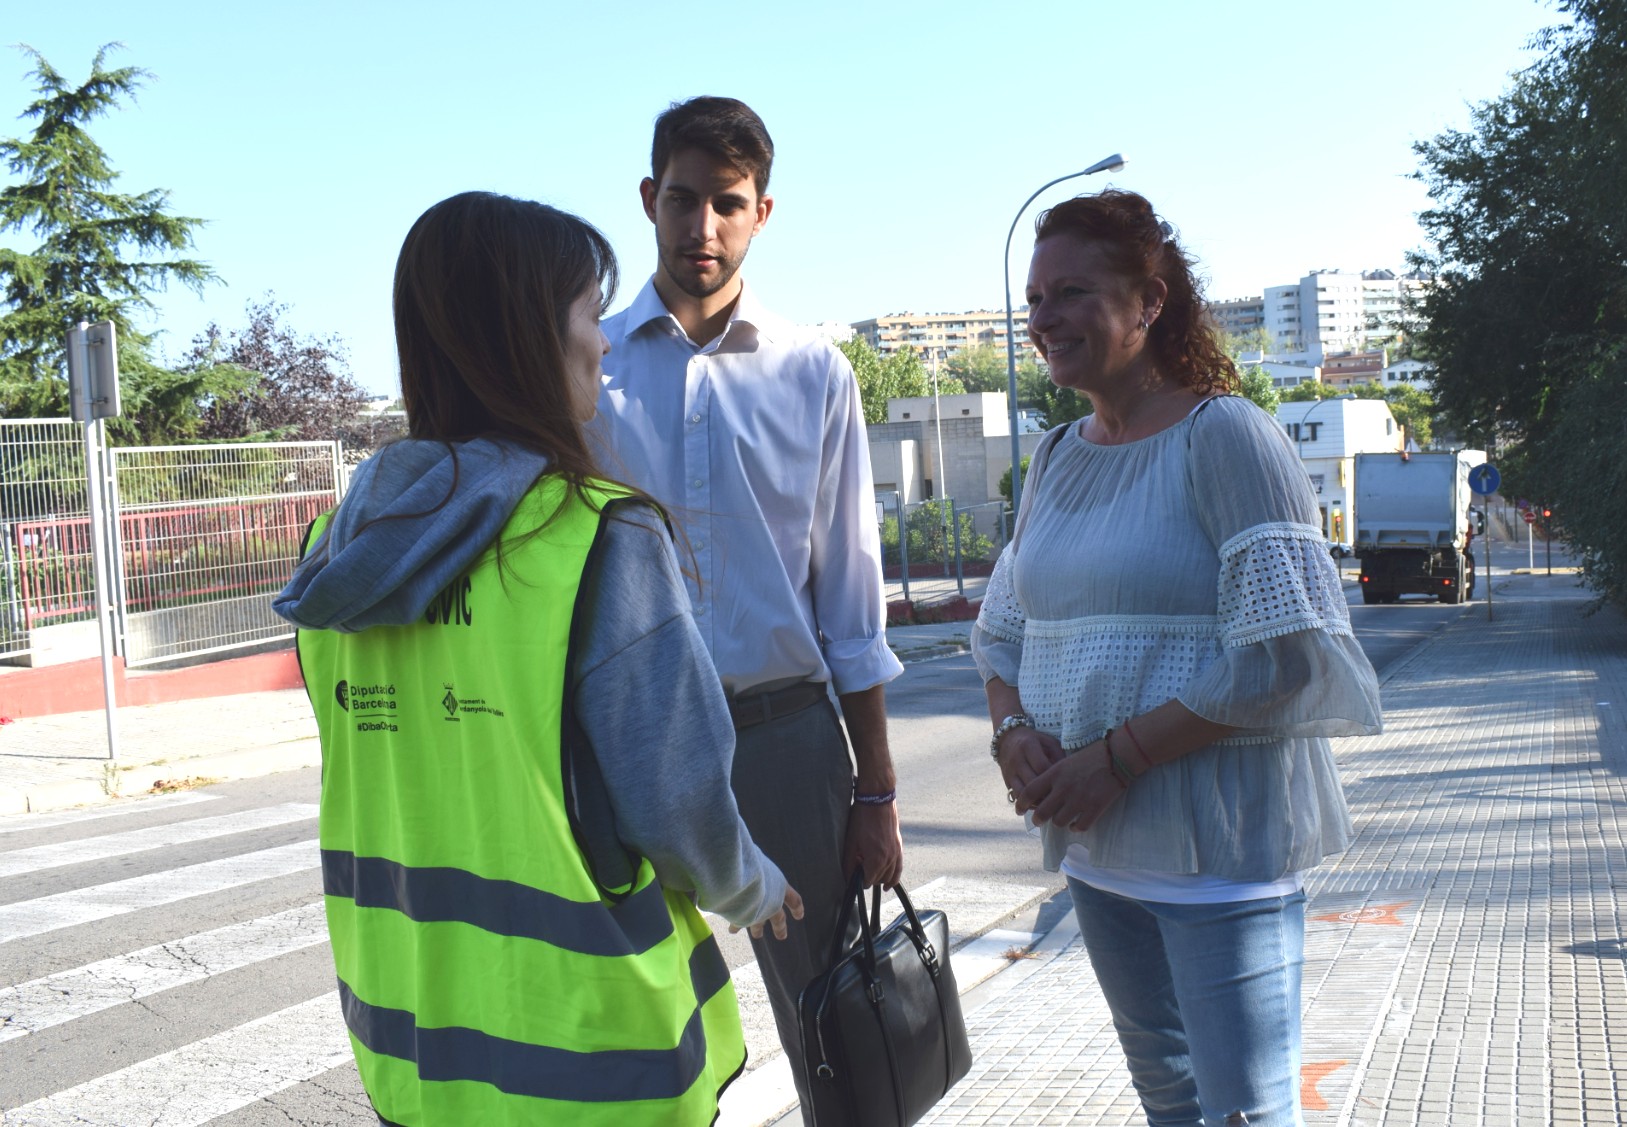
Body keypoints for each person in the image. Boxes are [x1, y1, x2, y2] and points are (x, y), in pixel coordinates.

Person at [274, 191, 800, 1126]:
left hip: (415, 1042)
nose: (601, 344)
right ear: (522, 340)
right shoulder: (592, 535)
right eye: (587, 318)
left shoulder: (333, 560)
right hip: (590, 1057)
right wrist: (751, 885)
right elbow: (677, 801)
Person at [972, 189, 1382, 1127]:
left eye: (1071, 292)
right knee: (1168, 1102)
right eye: (1034, 299)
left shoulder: (1224, 434)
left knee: (1244, 1113)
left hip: (1217, 852)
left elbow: (1287, 656)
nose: (1043, 319)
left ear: (1149, 301)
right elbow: (1002, 629)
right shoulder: (1055, 457)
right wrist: (1010, 731)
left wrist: (1115, 758)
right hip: (1099, 856)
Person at [591, 95, 904, 1115]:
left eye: (727, 204)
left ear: (762, 211)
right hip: (624, 741)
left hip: (783, 737)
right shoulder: (585, 371)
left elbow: (851, 602)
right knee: (631, 1023)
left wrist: (877, 790)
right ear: (649, 199)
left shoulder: (814, 371)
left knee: (835, 1027)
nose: (702, 228)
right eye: (682, 200)